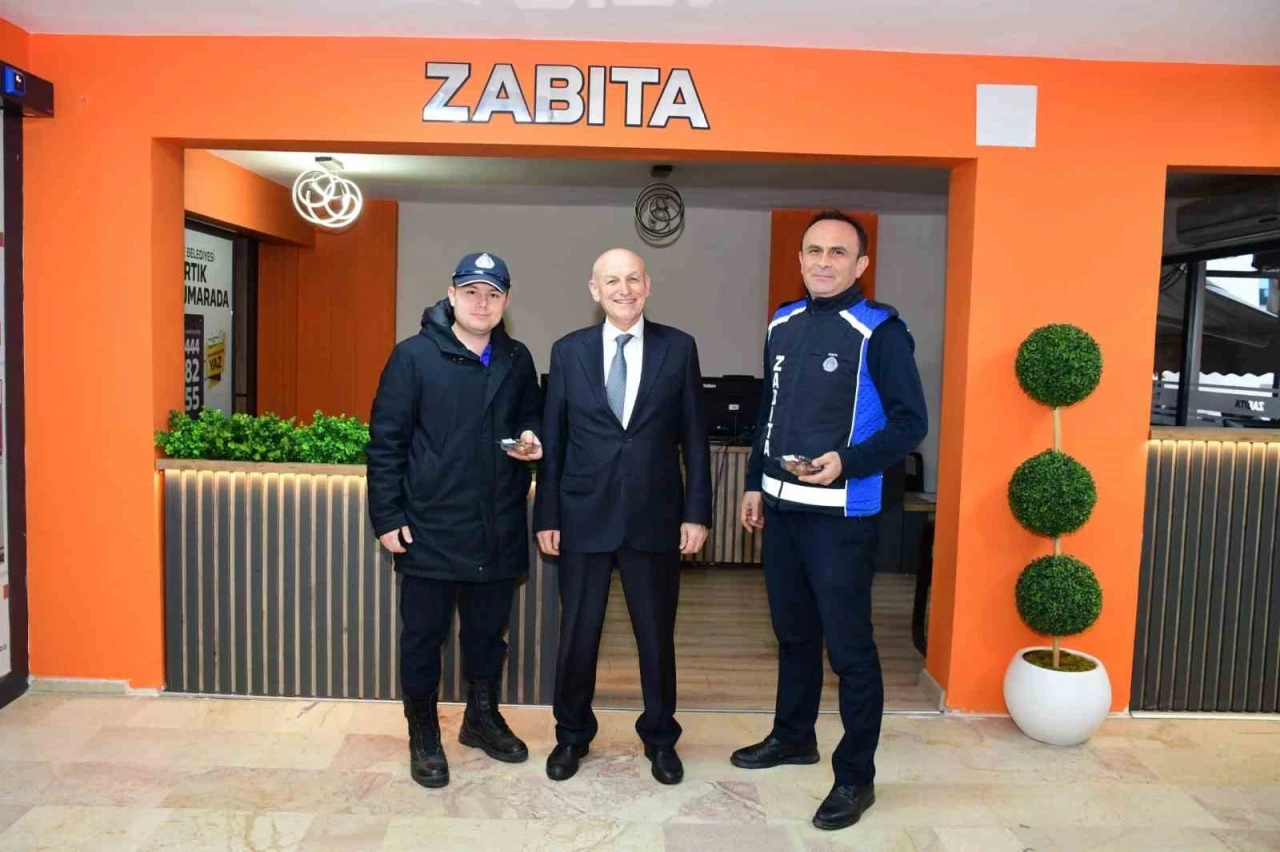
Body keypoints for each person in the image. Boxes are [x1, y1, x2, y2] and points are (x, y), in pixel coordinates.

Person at [732, 210, 928, 830]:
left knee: (849, 651)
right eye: (814, 250)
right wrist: (754, 482)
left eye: (838, 252)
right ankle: (793, 737)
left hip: (842, 516)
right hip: (780, 509)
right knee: (792, 636)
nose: (823, 261)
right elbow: (768, 411)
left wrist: (847, 462)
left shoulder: (881, 331)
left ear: (861, 264)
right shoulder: (782, 322)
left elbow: (910, 424)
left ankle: (855, 777)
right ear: (800, 259)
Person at [533, 247, 712, 786]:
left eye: (633, 279)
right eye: (612, 281)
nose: (624, 289)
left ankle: (660, 738)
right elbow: (554, 441)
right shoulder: (568, 351)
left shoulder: (679, 348)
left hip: (655, 517)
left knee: (656, 637)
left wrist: (697, 513)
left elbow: (694, 438)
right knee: (577, 636)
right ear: (595, 290)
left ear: (647, 285)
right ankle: (571, 735)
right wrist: (547, 514)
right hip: (582, 516)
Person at [366, 251, 544, 790]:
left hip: (498, 523)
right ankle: (423, 732)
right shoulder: (413, 356)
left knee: (488, 636)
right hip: (430, 526)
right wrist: (387, 515)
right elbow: (386, 443)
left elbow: (531, 416)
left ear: (506, 301)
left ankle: (480, 719)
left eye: (492, 294)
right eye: (471, 292)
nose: (481, 303)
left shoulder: (516, 358)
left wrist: (533, 438)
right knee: (423, 638)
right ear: (451, 295)